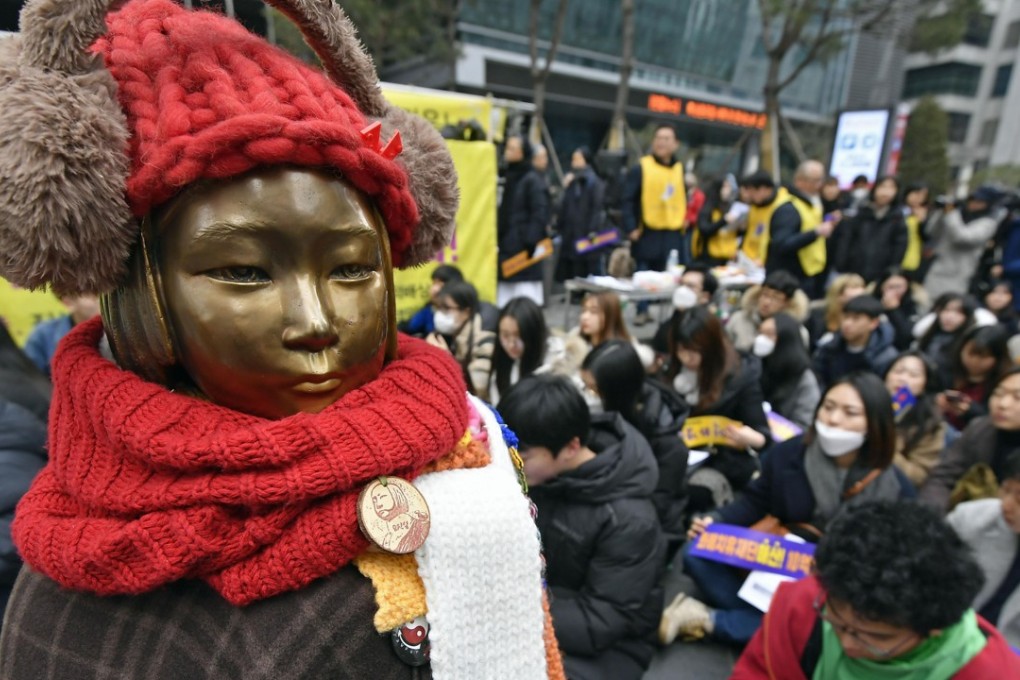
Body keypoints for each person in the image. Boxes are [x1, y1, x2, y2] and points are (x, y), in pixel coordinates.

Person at [0, 2, 558, 677]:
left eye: (351, 268)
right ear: (141, 294)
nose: (315, 321)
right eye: (244, 272)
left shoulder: (468, 445)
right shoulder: (59, 577)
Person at [661, 373, 915, 646]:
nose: (834, 419)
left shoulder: (895, 488)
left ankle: (713, 620)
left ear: (874, 424)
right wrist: (716, 520)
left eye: (850, 413)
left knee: (832, 627)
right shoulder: (791, 453)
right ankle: (771, 627)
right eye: (828, 407)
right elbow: (755, 500)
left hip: (832, 585)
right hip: (775, 557)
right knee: (696, 552)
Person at [732, 500, 1020, 678]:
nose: (848, 644)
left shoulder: (988, 671)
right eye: (837, 622)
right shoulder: (803, 605)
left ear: (932, 630)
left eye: (876, 637)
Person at [499, 375, 664, 680]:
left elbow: (599, 622)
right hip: (541, 603)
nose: (511, 462)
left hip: (611, 645)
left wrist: (509, 597)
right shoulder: (542, 474)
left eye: (525, 454)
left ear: (571, 447)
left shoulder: (629, 520)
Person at [581, 340, 691, 545]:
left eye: (594, 391)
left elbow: (652, 509)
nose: (589, 398)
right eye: (584, 387)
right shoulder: (603, 415)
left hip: (648, 532)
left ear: (616, 392)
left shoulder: (666, 443)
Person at [667, 306, 771, 505]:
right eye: (681, 350)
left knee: (693, 491)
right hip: (676, 454)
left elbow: (763, 436)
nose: (687, 358)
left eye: (695, 351)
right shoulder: (672, 371)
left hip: (722, 460)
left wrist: (750, 438)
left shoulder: (740, 377)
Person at [947, 451, 1020, 648]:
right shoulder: (971, 518)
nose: (1007, 505)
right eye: (1006, 490)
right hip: (949, 635)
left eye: (1019, 499)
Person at [921, 368, 1020, 512]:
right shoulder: (980, 429)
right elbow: (943, 478)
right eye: (999, 394)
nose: (1003, 404)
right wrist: (932, 518)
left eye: (1017, 398)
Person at [621, 124, 686, 326]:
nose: (661, 142)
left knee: (669, 273)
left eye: (666, 139)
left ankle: (669, 315)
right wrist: (631, 226)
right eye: (658, 138)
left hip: (672, 230)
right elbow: (628, 199)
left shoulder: (678, 169)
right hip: (646, 230)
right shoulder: (642, 167)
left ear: (675, 144)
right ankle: (642, 309)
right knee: (643, 272)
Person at [737, 170, 830, 288]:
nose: (749, 197)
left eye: (751, 192)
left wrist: (815, 233)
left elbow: (782, 243)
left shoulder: (785, 208)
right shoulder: (757, 205)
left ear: (763, 189)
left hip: (790, 272)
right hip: (752, 265)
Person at [489, 296, 585, 404]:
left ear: (533, 333)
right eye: (505, 335)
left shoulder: (557, 365)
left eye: (518, 335)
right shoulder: (502, 362)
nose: (511, 344)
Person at [924, 187, 1004, 301]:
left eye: (979, 202)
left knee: (948, 306)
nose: (973, 204)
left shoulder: (987, 223)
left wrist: (951, 213)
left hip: (957, 276)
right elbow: (932, 232)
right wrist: (941, 213)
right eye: (972, 199)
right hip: (936, 269)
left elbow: (962, 238)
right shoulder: (958, 214)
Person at [498, 134, 551, 307]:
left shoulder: (532, 179)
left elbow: (540, 212)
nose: (507, 152)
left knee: (524, 302)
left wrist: (530, 240)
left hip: (524, 250)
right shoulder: (512, 176)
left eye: (512, 148)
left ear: (522, 153)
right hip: (508, 245)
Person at [884, 351, 948, 488]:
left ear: (925, 384)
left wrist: (884, 445)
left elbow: (918, 476)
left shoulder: (930, 424)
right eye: (898, 371)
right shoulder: (867, 402)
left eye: (913, 375)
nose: (903, 379)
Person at [830, 175, 908, 283]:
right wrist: (841, 265)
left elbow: (899, 248)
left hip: (879, 276)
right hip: (852, 273)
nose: (886, 192)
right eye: (883, 186)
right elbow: (846, 240)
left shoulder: (898, 219)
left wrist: (890, 273)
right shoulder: (861, 213)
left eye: (891, 188)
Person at [427, 280, 496, 401]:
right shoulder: (452, 332)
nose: (440, 314)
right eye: (439, 307)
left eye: (446, 308)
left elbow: (478, 391)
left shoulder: (483, 338)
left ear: (466, 312)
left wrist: (447, 359)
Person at [812, 295, 898, 390]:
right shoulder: (829, 347)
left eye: (856, 318)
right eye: (846, 317)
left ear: (873, 323)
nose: (847, 324)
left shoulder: (886, 357)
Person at [938, 324, 1012, 431]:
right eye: (970, 353)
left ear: (998, 358)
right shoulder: (946, 369)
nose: (974, 361)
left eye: (983, 356)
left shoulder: (1003, 383)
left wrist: (971, 411)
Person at [756, 312, 821, 429]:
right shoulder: (754, 365)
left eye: (769, 334)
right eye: (760, 333)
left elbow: (804, 424)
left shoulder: (804, 378)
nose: (761, 339)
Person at [914, 292, 995, 383]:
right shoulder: (930, 334)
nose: (950, 317)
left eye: (958, 312)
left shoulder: (968, 343)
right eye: (946, 310)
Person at [725, 270, 810, 353]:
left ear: (787, 303)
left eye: (775, 298)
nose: (767, 302)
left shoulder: (798, 333)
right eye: (765, 294)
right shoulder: (739, 320)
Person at [556, 146, 607, 281]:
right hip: (571, 232)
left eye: (577, 158)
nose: (574, 162)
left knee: (585, 267)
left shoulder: (592, 182)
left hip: (585, 232)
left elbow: (597, 208)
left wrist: (592, 230)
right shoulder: (572, 181)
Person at [650, 262, 719, 359]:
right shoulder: (667, 328)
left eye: (690, 286)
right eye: (681, 284)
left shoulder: (711, 330)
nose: (682, 290)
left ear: (705, 296)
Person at [22, 293, 100, 377]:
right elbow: (30, 380)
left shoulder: (111, 335)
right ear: (68, 302)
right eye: (93, 296)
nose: (100, 301)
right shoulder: (43, 336)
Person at [397, 264, 464, 337]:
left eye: (440, 284)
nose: (434, 289)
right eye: (434, 283)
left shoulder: (464, 313)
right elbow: (408, 327)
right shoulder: (429, 311)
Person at [871, 267, 928, 351]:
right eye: (890, 287)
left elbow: (907, 335)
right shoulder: (871, 302)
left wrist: (894, 310)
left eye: (899, 287)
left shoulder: (914, 305)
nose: (895, 291)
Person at [805, 272, 866, 350]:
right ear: (838, 296)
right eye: (851, 299)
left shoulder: (865, 318)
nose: (856, 304)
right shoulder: (817, 314)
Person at [691, 174, 742, 267]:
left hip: (727, 256)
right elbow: (705, 230)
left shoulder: (731, 207)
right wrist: (723, 221)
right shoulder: (708, 208)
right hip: (709, 257)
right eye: (725, 186)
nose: (728, 190)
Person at [902, 181, 931, 278]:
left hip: (913, 258)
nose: (918, 198)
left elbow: (928, 238)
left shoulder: (927, 214)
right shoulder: (899, 211)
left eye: (923, 195)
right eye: (916, 193)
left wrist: (922, 222)